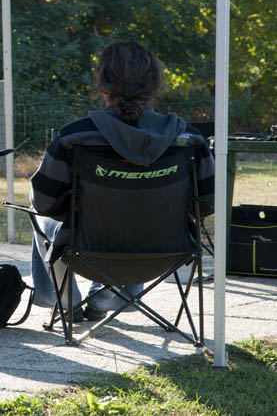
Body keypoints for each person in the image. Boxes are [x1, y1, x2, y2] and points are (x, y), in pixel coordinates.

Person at [30, 39, 215, 321]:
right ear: (154, 86)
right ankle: (104, 299)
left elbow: (44, 202)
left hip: (86, 253)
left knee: (38, 214)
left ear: (103, 87)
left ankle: (67, 302)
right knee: (137, 215)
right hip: (164, 253)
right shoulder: (189, 139)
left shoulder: (75, 137)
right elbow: (208, 203)